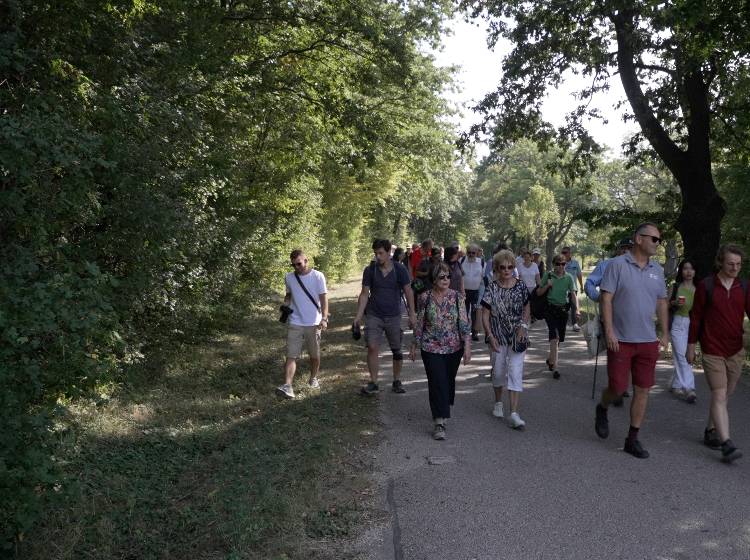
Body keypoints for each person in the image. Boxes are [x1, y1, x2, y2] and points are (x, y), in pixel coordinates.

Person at [594, 222, 669, 459]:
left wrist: (664, 332)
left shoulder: (657, 270)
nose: (658, 243)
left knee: (643, 390)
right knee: (617, 388)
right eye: (654, 239)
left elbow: (661, 302)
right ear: (639, 239)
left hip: (647, 341)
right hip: (621, 339)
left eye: (659, 240)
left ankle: (632, 439)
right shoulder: (617, 265)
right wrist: (609, 332)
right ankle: (602, 407)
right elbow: (606, 299)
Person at [687, 244, 748, 463]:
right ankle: (727, 444)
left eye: (739, 264)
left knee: (725, 393)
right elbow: (695, 317)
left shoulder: (744, 286)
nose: (735, 268)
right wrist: (691, 345)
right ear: (720, 262)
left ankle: (710, 430)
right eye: (731, 263)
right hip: (712, 348)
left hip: (735, 350)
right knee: (720, 393)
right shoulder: (707, 286)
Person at [411, 262, 472, 440]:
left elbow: (464, 323)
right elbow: (421, 323)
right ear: (434, 279)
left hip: (454, 348)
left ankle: (444, 402)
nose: (446, 280)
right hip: (430, 347)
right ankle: (439, 422)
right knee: (437, 381)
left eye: (448, 277)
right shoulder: (425, 297)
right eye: (442, 277)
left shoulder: (457, 297)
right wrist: (414, 344)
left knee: (447, 380)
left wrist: (467, 347)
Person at [355, 239, 417, 395]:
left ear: (389, 252)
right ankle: (374, 382)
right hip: (374, 315)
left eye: (381, 253)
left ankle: (396, 380)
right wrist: (358, 316)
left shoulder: (399, 269)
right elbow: (364, 294)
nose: (378, 256)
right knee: (372, 347)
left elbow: (409, 292)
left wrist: (412, 313)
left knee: (396, 350)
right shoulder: (370, 270)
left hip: (394, 316)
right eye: (376, 253)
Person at [481, 250, 531, 429]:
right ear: (496, 268)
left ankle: (515, 413)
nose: (507, 270)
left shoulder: (521, 286)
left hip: (517, 337)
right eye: (502, 267)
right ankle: (498, 403)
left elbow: (527, 308)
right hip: (497, 336)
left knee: (515, 372)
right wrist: (489, 335)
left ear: (514, 267)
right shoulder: (492, 288)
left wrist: (523, 327)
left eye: (510, 266)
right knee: (498, 372)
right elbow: (485, 314)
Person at [276, 249, 329, 399]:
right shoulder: (289, 277)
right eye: (293, 265)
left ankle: (313, 378)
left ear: (306, 261)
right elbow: (289, 294)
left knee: (314, 355)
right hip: (296, 321)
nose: (296, 267)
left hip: (314, 322)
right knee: (291, 355)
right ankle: (287, 386)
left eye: (299, 264)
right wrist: (286, 304)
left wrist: (324, 318)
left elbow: (324, 300)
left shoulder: (318, 276)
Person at [537, 254, 578, 380]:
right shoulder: (548, 275)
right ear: (554, 265)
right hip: (550, 309)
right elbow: (538, 292)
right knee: (554, 337)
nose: (560, 266)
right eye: (558, 264)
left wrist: (577, 310)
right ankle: (556, 368)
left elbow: (573, 295)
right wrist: (547, 285)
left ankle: (550, 359)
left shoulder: (569, 277)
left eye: (563, 264)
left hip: (563, 311)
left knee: (558, 339)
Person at [668, 260, 696, 403]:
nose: (688, 272)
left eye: (691, 269)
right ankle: (689, 388)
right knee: (681, 356)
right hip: (677, 323)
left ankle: (676, 384)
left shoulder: (698, 289)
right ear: (681, 271)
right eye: (685, 268)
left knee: (688, 355)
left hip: (691, 325)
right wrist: (674, 303)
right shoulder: (676, 286)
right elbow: (664, 304)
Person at [460, 243, 485, 341]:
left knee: (475, 312)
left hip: (476, 291)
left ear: (477, 253)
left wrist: (482, 294)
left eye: (473, 253)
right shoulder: (461, 260)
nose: (471, 254)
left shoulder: (482, 262)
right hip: (463, 291)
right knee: (464, 312)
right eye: (469, 252)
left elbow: (484, 278)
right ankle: (464, 332)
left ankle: (474, 332)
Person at [561, 246, 583, 331]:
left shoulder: (575, 263)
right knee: (564, 307)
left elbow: (579, 275)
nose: (564, 254)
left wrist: (581, 286)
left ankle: (574, 324)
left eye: (565, 252)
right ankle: (563, 324)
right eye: (562, 252)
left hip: (573, 288)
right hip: (562, 288)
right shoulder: (560, 263)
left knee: (573, 306)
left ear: (570, 253)